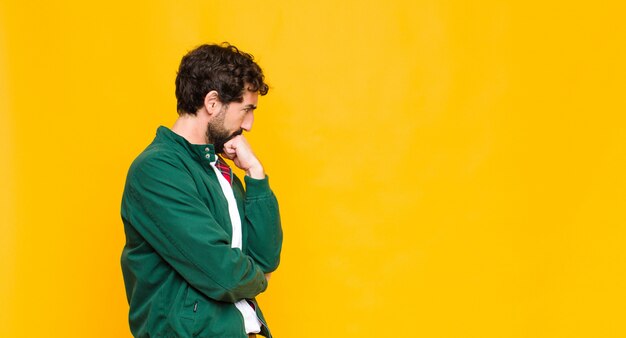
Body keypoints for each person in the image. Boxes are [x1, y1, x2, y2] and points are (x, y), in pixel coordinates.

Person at [120, 43, 283, 338]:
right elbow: (223, 274)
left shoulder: (219, 170)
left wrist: (255, 175)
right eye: (246, 109)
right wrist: (259, 278)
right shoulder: (157, 170)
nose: (249, 125)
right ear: (212, 102)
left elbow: (266, 257)